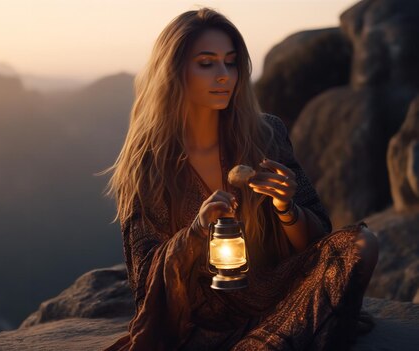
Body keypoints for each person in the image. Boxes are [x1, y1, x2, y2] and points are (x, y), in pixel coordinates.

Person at [99, 7, 379, 351]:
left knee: (361, 244)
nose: (224, 75)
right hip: (203, 312)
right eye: (207, 63)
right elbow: (145, 279)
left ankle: (266, 338)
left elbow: (317, 239)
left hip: (273, 292)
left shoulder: (267, 134)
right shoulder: (149, 163)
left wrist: (285, 206)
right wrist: (196, 231)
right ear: (173, 72)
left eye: (230, 62)